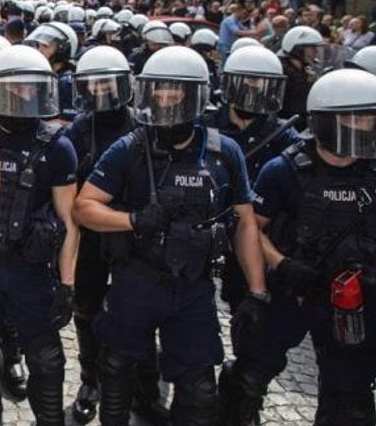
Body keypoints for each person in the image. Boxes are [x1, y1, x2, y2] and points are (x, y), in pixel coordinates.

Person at [75, 45, 268, 426]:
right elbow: (85, 207)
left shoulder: (223, 152)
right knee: (116, 375)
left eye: (175, 92)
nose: (166, 101)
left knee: (199, 393)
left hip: (193, 288)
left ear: (194, 96)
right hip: (137, 280)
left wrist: (257, 290)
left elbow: (245, 222)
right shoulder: (130, 147)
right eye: (159, 92)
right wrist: (133, 220)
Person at [218, 68, 376, 426]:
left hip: (351, 301)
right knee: (248, 380)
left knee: (350, 400)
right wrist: (278, 266)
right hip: (290, 290)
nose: (366, 127)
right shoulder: (283, 170)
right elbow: (249, 227)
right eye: (359, 119)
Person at [0, 44, 78, 426]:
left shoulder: (59, 146)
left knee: (46, 360)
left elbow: (68, 221)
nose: (24, 96)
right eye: (15, 88)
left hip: (32, 272)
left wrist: (68, 284)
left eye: (31, 88)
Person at [65, 46, 169, 425]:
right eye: (93, 84)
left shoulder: (145, 125)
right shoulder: (78, 130)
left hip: (137, 236)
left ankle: (146, 387)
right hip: (92, 237)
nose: (101, 91)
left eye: (107, 83)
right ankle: (91, 380)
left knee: (140, 314)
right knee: (87, 310)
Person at [203, 45, 301, 315]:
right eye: (246, 81)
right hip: (207, 225)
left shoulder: (284, 135)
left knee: (249, 306)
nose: (252, 90)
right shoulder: (207, 125)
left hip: (259, 230)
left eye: (260, 84)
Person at [23, 22, 79, 123]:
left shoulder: (67, 82)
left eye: (45, 46)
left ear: (63, 49)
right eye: (39, 45)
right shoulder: (45, 75)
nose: (39, 50)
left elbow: (70, 122)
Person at [278, 26, 325, 129]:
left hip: (305, 120)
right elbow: (291, 100)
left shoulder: (304, 68)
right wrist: (306, 82)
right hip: (289, 123)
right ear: (298, 49)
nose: (316, 52)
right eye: (312, 48)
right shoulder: (282, 69)